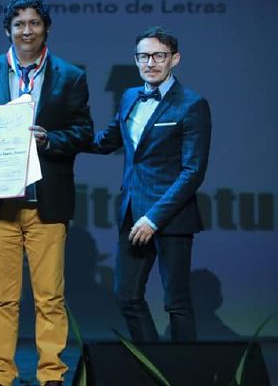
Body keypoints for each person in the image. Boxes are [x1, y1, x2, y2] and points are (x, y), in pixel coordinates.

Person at [0, 0, 93, 386]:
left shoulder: (71, 75)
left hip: (48, 203)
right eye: (19, 24)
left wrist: (50, 141)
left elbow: (84, 132)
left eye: (34, 23)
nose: (27, 31)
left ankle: (51, 374)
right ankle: (0, 374)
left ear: (46, 28)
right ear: (7, 30)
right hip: (1, 205)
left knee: (50, 298)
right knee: (2, 298)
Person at [91, 26, 211, 342]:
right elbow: (106, 141)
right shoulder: (130, 95)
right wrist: (56, 137)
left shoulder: (191, 104)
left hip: (170, 218)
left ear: (175, 59)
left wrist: (154, 219)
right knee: (126, 296)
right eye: (144, 56)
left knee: (176, 303)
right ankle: (153, 364)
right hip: (132, 213)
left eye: (159, 55)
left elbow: (193, 171)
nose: (151, 62)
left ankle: (183, 373)